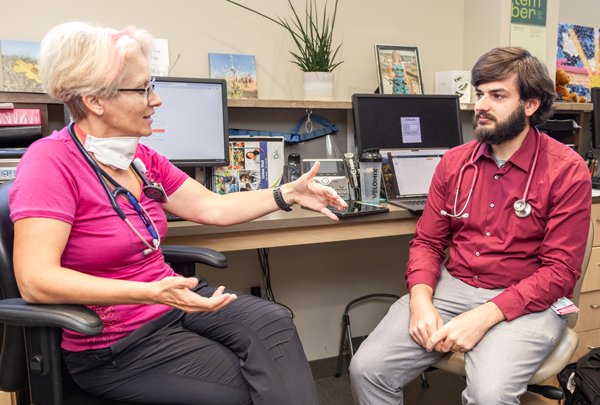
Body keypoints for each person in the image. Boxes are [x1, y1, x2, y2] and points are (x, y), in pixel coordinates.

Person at [10, 22, 347, 405]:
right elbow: (36, 281)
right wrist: (151, 292)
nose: (155, 100)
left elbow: (212, 207)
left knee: (274, 322)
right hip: (117, 342)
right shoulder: (50, 163)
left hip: (173, 304)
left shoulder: (139, 158)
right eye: (143, 89)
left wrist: (288, 192)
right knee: (253, 385)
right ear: (95, 100)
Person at [350, 47, 592, 404]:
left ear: (530, 104)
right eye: (479, 94)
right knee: (367, 369)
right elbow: (428, 242)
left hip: (528, 299)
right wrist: (420, 299)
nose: (481, 105)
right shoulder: (455, 163)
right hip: (455, 287)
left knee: (488, 395)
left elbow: (560, 272)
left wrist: (484, 317)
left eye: (497, 96)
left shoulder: (566, 170)